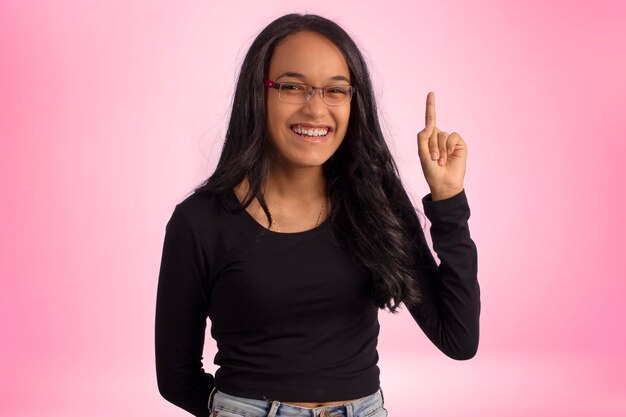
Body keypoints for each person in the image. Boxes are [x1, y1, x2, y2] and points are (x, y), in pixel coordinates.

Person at [155, 13, 480, 417]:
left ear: (353, 101)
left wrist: (448, 200)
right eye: (292, 87)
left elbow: (459, 338)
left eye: (335, 91)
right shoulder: (200, 222)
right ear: (259, 93)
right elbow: (175, 375)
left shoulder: (374, 202)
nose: (315, 109)